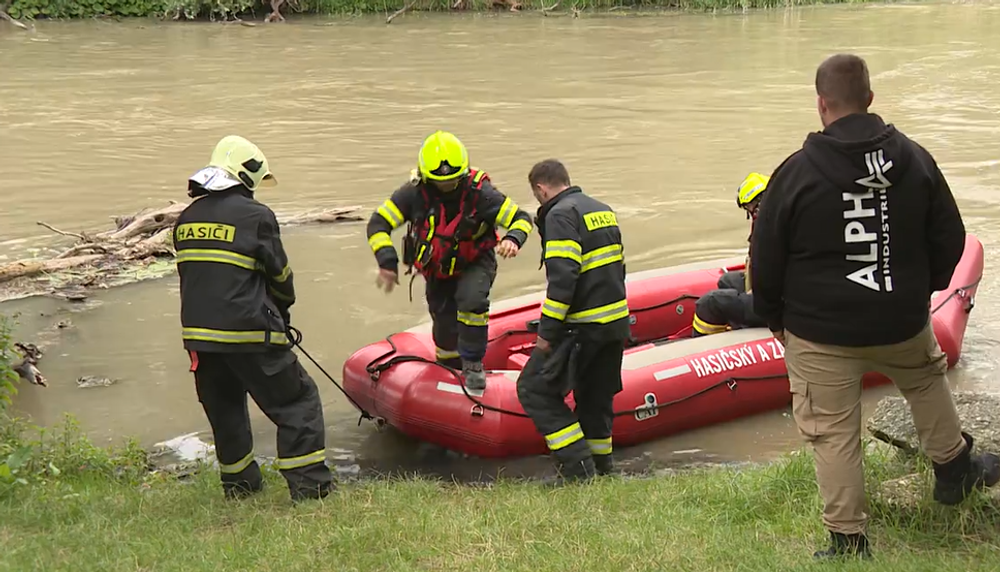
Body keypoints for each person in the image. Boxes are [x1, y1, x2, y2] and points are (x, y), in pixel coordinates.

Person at [750, 53, 1000, 559]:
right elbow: (950, 239)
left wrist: (775, 318)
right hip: (901, 320)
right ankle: (954, 468)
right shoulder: (915, 159)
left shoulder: (795, 174)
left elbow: (766, 258)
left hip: (820, 332)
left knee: (832, 431)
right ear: (869, 98)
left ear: (821, 104)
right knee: (925, 378)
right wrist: (920, 289)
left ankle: (848, 540)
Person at [174, 135, 333, 502]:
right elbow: (280, 276)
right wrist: (283, 313)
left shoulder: (186, 219)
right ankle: (310, 488)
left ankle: (240, 487)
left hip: (200, 340)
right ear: (247, 176)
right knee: (298, 402)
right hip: (251, 333)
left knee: (225, 411)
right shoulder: (257, 216)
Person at [366, 130, 534, 390]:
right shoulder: (413, 194)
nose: (447, 186)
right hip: (437, 268)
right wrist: (387, 261)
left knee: (471, 300)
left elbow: (521, 218)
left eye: (453, 181)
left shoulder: (480, 193)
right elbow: (378, 224)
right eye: (440, 182)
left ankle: (473, 364)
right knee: (443, 321)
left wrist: (513, 239)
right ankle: (448, 370)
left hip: (475, 261)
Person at [516, 159, 630, 484]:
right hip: (615, 323)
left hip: (583, 327)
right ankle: (603, 470)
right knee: (595, 399)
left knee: (533, 389)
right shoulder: (602, 210)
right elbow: (619, 268)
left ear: (541, 189)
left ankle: (578, 471)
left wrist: (546, 334)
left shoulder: (559, 215)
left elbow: (563, 280)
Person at [691, 172, 771, 337]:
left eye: (752, 207)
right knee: (727, 281)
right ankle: (741, 328)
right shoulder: (770, 224)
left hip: (782, 304)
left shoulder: (777, 229)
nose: (752, 213)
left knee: (710, 302)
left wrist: (758, 292)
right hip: (774, 293)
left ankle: (702, 346)